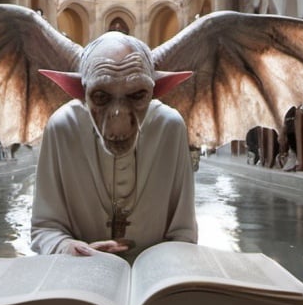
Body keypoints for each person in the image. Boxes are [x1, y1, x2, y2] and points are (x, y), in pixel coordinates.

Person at [30, 32, 198, 257]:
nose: (118, 125)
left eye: (137, 95)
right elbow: (44, 229)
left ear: (154, 90)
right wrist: (67, 248)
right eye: (101, 96)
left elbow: (184, 233)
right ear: (81, 92)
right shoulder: (62, 127)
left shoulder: (170, 126)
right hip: (81, 279)